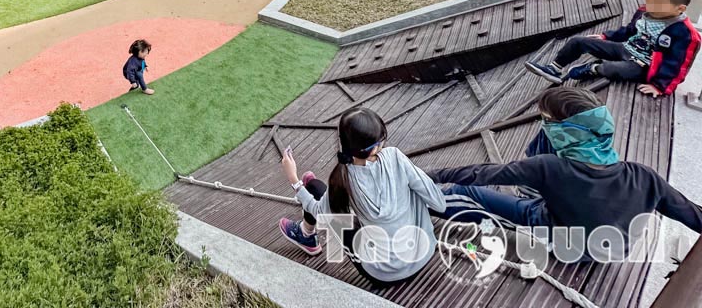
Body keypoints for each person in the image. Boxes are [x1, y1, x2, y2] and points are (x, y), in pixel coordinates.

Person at [433, 87, 702, 262]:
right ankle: (533, 190)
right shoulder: (645, 176)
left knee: (466, 193)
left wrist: (427, 176)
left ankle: (430, 204)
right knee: (545, 146)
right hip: (616, 248)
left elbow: (479, 174)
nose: (544, 124)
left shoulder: (549, 167)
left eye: (547, 119)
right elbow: (691, 213)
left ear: (565, 129)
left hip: (570, 247)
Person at [278, 107, 446, 285]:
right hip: (424, 254)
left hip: (383, 275)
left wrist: (294, 180)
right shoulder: (395, 157)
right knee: (323, 193)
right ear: (376, 145)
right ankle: (312, 199)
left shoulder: (343, 178)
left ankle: (306, 233)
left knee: (318, 195)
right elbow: (439, 204)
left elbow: (320, 213)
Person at [525, 0, 699, 96]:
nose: (651, 7)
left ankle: (591, 68)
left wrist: (660, 87)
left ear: (680, 9)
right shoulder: (644, 12)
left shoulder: (684, 33)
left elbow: (678, 64)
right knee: (578, 41)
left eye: (658, 5)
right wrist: (605, 36)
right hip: (626, 48)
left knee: (614, 69)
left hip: (644, 64)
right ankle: (554, 68)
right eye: (650, 1)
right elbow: (629, 31)